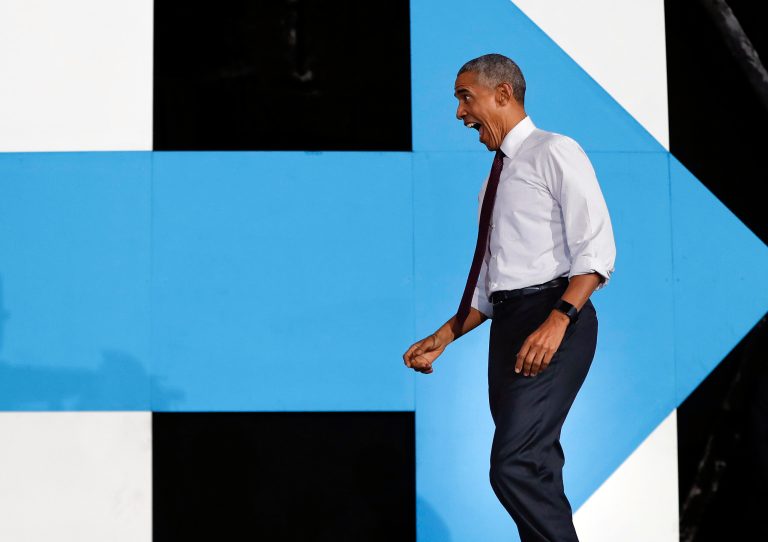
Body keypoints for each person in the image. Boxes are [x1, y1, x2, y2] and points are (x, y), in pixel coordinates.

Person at [403, 53, 616, 542]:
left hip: (554, 315)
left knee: (513, 464)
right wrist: (444, 336)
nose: (459, 113)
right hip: (511, 322)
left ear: (502, 94)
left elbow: (596, 249)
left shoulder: (554, 151)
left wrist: (559, 319)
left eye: (465, 97)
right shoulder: (491, 183)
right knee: (535, 464)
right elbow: (489, 281)